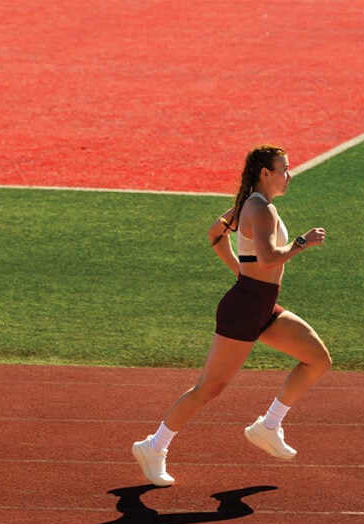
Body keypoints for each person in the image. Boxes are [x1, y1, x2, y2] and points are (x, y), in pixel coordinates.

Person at [132, 145, 331, 486]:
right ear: (265, 173)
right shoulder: (262, 209)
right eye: (283, 169)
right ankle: (154, 446)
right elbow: (268, 259)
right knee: (208, 388)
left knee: (317, 358)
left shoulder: (250, 205)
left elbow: (215, 233)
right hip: (244, 309)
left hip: (261, 305)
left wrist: (241, 271)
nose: (289, 175)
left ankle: (268, 426)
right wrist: (302, 242)